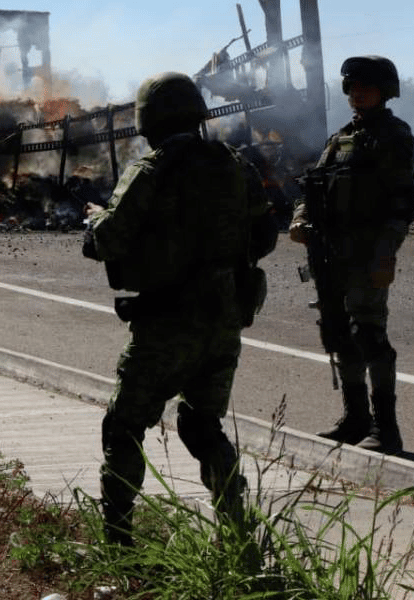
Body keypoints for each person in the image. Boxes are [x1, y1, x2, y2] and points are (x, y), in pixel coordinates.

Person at [82, 71, 278, 546]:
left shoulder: (152, 170)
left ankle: (118, 542)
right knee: (202, 424)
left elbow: (107, 241)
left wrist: (95, 222)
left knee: (125, 425)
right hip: (224, 322)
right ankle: (235, 534)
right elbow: (266, 235)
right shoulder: (234, 166)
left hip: (167, 324)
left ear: (147, 120)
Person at [289, 56, 414, 455]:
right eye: (352, 86)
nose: (357, 92)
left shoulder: (393, 137)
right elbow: (314, 185)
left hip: (367, 251)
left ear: (385, 91)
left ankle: (386, 429)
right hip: (330, 251)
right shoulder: (340, 138)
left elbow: (404, 201)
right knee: (337, 332)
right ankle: (355, 419)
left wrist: (386, 253)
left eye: (366, 86)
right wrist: (300, 217)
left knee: (369, 335)